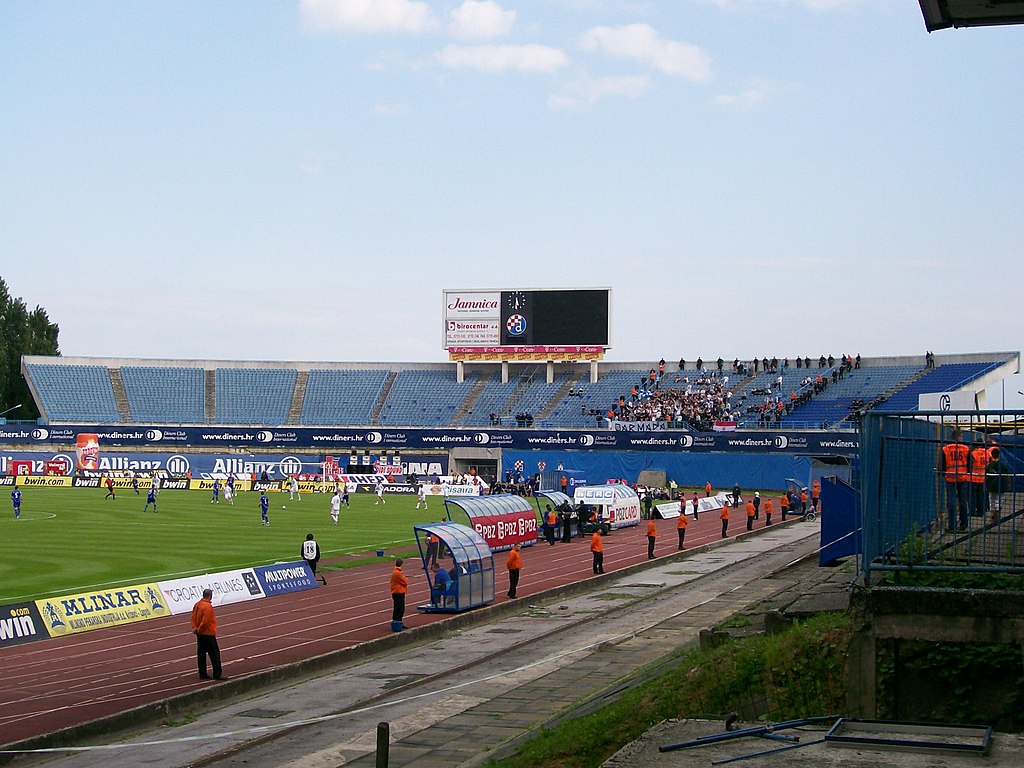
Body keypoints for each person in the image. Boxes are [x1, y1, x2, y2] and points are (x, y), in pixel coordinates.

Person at [940, 428, 970, 532]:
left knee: (951, 502)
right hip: (962, 477)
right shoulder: (966, 448)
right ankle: (964, 524)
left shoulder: (946, 449)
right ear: (959, 437)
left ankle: (952, 526)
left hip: (950, 478)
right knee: (963, 502)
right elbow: (969, 464)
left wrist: (944, 474)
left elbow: (943, 464)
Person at [190, 588, 223, 680]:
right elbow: (206, 620)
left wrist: (194, 628)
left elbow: (193, 617)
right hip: (207, 633)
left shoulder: (197, 604)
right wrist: (200, 629)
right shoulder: (207, 606)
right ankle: (217, 673)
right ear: (210, 596)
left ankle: (202, 673)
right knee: (214, 653)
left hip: (199, 633)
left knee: (201, 653)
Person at [985, 447, 1012, 525]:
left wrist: (986, 485)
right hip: (1000, 486)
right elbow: (1007, 475)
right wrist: (1008, 484)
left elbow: (986, 476)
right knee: (999, 500)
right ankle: (997, 515)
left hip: (991, 486)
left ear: (991, 455)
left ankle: (993, 516)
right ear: (999, 455)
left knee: (991, 501)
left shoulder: (989, 466)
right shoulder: (1003, 466)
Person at [390, 558, 408, 629]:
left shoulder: (395, 572)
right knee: (400, 608)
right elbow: (405, 582)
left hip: (396, 591)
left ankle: (397, 621)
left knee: (397, 608)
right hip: (399, 592)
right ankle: (398, 621)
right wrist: (404, 578)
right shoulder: (398, 573)